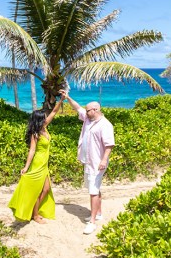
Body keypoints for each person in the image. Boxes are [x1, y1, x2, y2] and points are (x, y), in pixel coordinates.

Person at [8, 93, 66, 224]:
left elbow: (54, 112)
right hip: (38, 164)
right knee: (36, 190)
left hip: (44, 164)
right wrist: (26, 167)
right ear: (39, 120)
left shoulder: (44, 127)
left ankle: (35, 211)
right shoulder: (36, 134)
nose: (46, 118)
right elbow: (32, 150)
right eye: (44, 117)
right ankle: (35, 215)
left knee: (46, 189)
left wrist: (61, 100)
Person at [64, 92, 115, 235]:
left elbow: (109, 145)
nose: (85, 112)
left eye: (88, 110)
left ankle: (92, 223)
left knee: (93, 191)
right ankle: (98, 213)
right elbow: (77, 108)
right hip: (88, 160)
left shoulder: (105, 125)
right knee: (95, 188)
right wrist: (67, 97)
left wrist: (104, 160)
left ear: (95, 110)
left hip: (97, 163)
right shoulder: (88, 119)